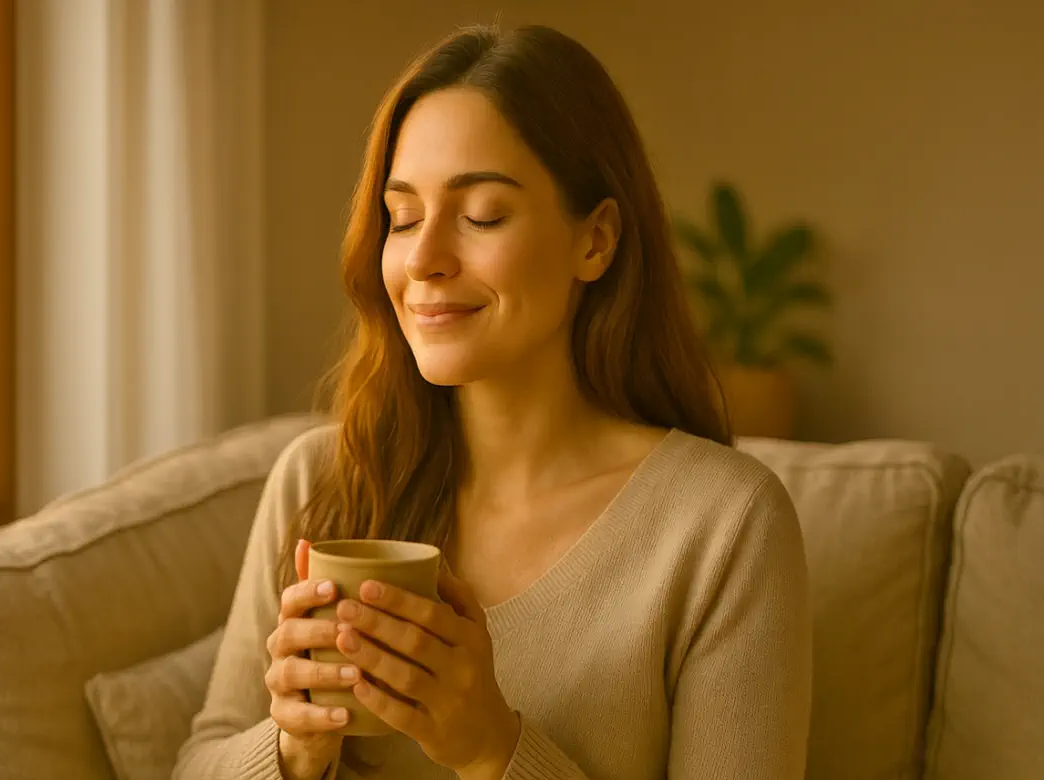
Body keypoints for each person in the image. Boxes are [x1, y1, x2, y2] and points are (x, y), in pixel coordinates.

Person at [174, 23, 811, 780]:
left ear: (596, 241)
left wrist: (491, 749)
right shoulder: (323, 482)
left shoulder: (722, 527)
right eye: (402, 218)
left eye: (481, 215)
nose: (424, 259)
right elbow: (200, 760)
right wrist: (291, 747)